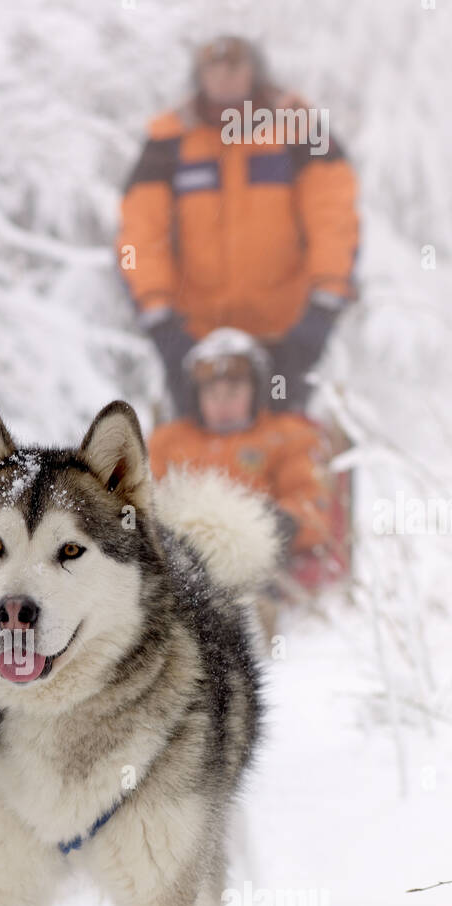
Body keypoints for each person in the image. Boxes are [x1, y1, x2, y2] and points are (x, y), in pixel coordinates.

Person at [118, 35, 359, 413]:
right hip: (195, 335)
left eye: (235, 67)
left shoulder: (299, 130)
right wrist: (156, 311)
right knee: (192, 447)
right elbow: (138, 234)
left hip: (285, 332)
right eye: (214, 68)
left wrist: (326, 298)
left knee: (285, 440)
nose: (225, 77)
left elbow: (335, 219)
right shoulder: (168, 142)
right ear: (200, 76)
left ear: (255, 72)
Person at [148, 329, 349, 590]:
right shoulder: (167, 441)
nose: (222, 404)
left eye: (233, 392)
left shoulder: (289, 436)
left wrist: (278, 523)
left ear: (256, 390)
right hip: (182, 567)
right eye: (213, 394)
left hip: (266, 568)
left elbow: (312, 502)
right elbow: (144, 497)